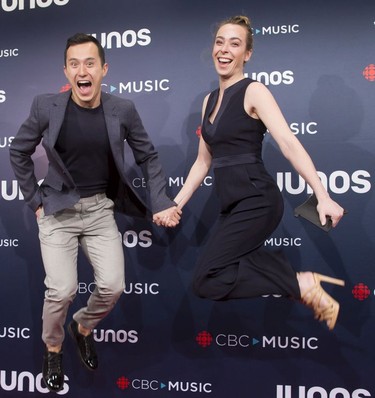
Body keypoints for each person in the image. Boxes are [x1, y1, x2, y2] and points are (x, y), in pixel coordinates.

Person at [9, 33, 181, 392]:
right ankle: (53, 347)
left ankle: (82, 327)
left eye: (90, 63)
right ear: (66, 70)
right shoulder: (46, 106)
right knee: (62, 290)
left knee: (113, 286)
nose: (82, 71)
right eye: (74, 64)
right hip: (57, 210)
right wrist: (35, 200)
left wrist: (161, 200)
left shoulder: (123, 109)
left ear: (104, 69)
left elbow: (148, 156)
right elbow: (18, 152)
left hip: (101, 210)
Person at [172, 16, 345, 332]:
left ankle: (300, 284)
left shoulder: (254, 91)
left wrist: (323, 195)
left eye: (235, 44)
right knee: (208, 280)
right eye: (220, 42)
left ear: (247, 54)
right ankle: (297, 281)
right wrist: (178, 203)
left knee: (207, 278)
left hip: (257, 198)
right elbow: (202, 162)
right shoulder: (209, 100)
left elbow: (289, 144)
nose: (225, 50)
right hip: (231, 204)